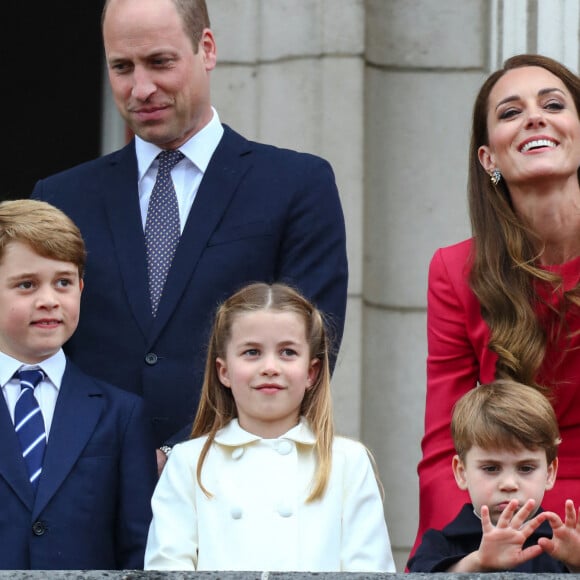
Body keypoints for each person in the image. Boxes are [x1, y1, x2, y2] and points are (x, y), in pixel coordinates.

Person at [31, 0, 348, 472]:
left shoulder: (297, 185)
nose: (141, 88)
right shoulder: (60, 197)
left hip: (240, 482)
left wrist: (184, 453)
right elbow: (34, 352)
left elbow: (309, 345)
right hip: (88, 488)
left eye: (160, 62)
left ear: (207, 48)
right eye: (122, 67)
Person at [412, 53, 580, 558]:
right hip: (504, 512)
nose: (535, 116)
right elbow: (446, 446)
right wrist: (459, 557)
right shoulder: (454, 271)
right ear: (489, 159)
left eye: (553, 104)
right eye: (510, 112)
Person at [143, 282, 395, 572]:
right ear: (223, 371)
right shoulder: (189, 462)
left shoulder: (347, 461)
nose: (270, 367)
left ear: (311, 372)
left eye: (287, 352)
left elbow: (369, 572)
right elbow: (168, 569)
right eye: (252, 352)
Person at [0, 199, 157, 569]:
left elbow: (139, 546)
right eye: (26, 284)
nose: (49, 300)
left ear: (82, 288)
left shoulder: (121, 413)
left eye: (63, 283)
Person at [408, 380, 580, 572]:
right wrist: (477, 562)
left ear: (549, 473)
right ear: (461, 472)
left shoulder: (561, 546)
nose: (508, 484)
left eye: (526, 468)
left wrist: (576, 566)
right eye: (491, 468)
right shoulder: (440, 543)